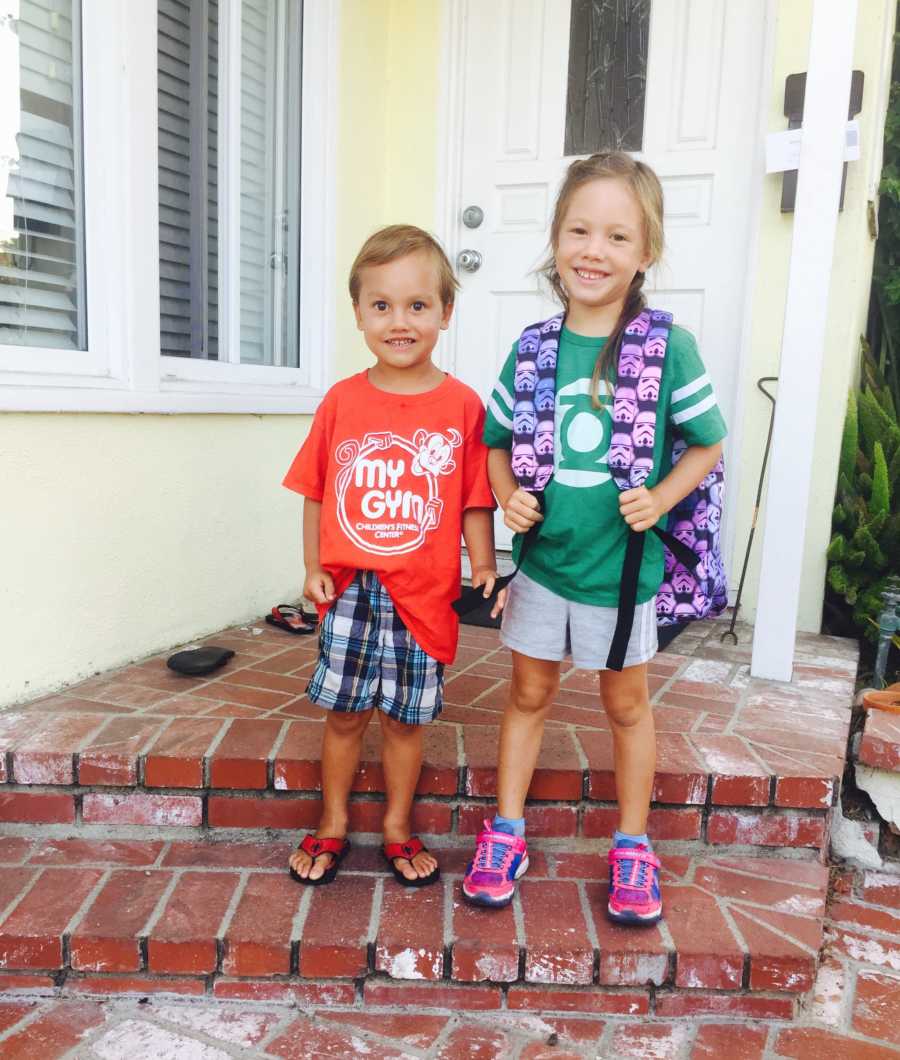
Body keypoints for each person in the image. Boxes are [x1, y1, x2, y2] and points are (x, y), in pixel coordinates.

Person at [462, 152, 726, 924]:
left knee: (626, 705)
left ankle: (634, 844)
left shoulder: (666, 348)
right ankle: (506, 829)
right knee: (528, 693)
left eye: (617, 236)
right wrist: (508, 499)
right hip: (545, 567)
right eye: (579, 229)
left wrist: (664, 498)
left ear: (645, 254)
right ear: (555, 239)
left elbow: (708, 441)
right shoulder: (535, 347)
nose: (593, 250)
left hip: (623, 571)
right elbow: (496, 440)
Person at [282, 224, 497, 887]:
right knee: (344, 715)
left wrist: (482, 564)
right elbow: (316, 490)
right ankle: (334, 821)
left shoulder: (463, 407)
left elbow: (472, 500)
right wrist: (315, 564)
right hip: (350, 588)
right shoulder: (343, 400)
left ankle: (399, 826)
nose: (398, 322)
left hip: (422, 593)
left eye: (416, 306)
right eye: (381, 305)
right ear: (358, 313)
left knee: (406, 723)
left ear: (445, 312)